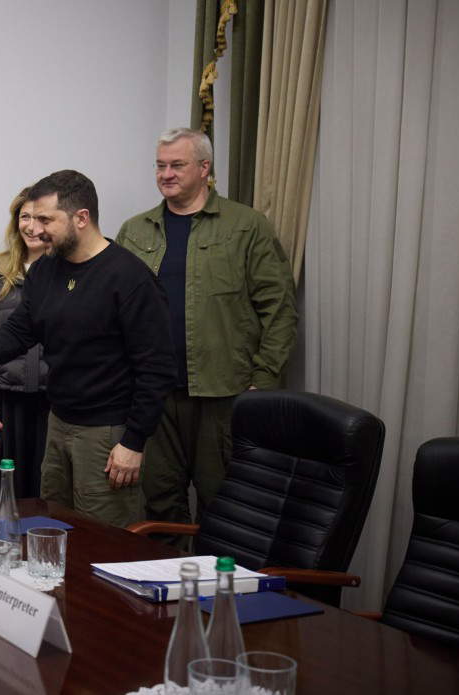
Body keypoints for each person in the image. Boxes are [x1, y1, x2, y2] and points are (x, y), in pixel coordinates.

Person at [116, 127, 297, 535]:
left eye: (177, 165)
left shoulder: (246, 226)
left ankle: (220, 598)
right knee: (159, 507)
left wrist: (263, 382)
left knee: (225, 503)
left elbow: (280, 310)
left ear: (204, 168)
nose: (166, 174)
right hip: (155, 396)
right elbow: (117, 312)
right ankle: (162, 595)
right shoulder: (136, 230)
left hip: (224, 393)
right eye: (160, 166)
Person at [0, 170, 177, 528]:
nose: (35, 230)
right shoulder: (46, 270)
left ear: (81, 218)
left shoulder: (129, 278)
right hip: (59, 423)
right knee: (53, 528)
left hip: (107, 433)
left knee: (102, 540)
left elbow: (157, 368)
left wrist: (133, 442)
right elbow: (22, 328)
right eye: (32, 218)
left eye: (46, 219)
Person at [0, 187, 51, 500]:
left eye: (41, 218)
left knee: (44, 489)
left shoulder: (67, 270)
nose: (31, 226)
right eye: (25, 217)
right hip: (2, 399)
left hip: (51, 400)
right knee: (1, 490)